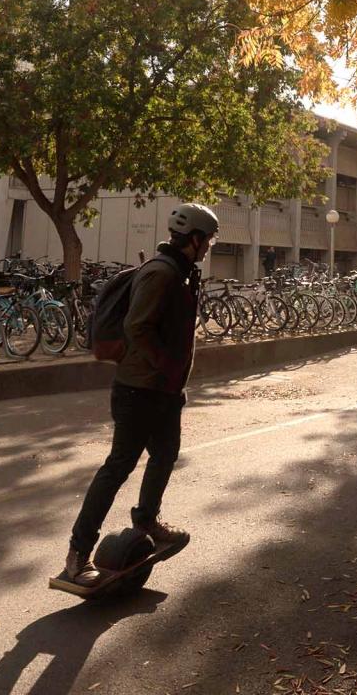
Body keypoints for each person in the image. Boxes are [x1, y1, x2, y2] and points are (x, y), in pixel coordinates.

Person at [62, 203, 218, 586]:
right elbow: (138, 328)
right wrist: (166, 366)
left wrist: (172, 378)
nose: (210, 246)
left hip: (163, 390)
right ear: (194, 240)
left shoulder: (181, 273)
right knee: (118, 467)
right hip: (139, 389)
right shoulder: (162, 274)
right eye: (209, 240)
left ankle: (147, 519)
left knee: (165, 454)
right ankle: (77, 555)